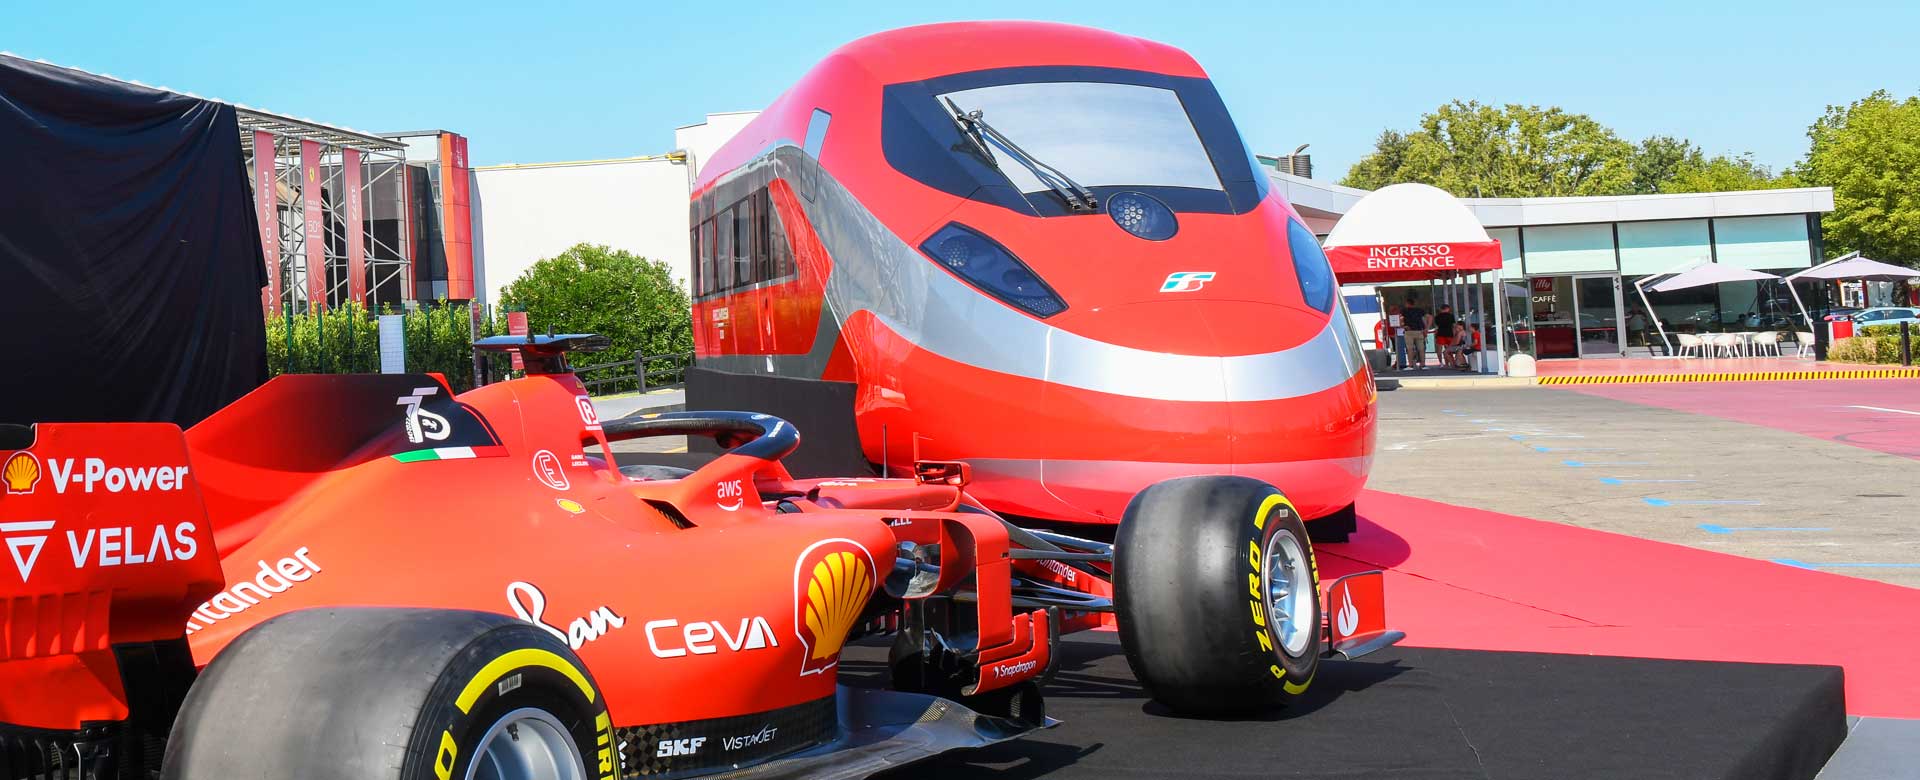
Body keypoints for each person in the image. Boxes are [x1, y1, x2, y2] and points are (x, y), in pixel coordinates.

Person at [1402, 295, 1431, 369]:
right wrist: (1427, 328)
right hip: (1419, 331)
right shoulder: (1420, 310)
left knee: (1410, 349)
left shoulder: (1404, 311)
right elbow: (1430, 317)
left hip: (1409, 331)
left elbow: (1400, 319)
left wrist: (1403, 326)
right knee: (1421, 348)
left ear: (1408, 303)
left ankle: (1411, 365)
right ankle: (1423, 364)